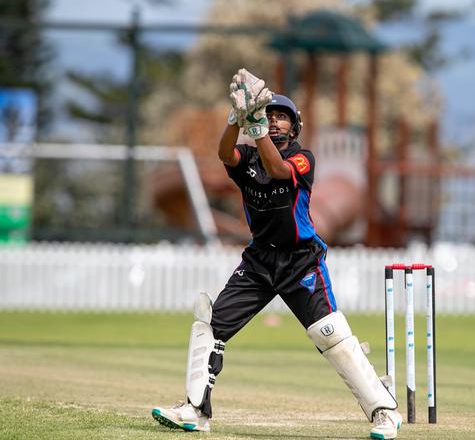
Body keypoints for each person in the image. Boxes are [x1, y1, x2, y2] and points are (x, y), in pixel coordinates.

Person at [151, 69, 402, 439]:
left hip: (301, 260)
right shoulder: (248, 160)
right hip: (259, 261)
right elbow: (224, 153)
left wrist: (256, 129)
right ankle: (194, 410)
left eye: (280, 117)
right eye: (268, 115)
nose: (273, 121)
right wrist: (235, 120)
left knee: (329, 333)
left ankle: (384, 411)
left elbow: (277, 168)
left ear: (294, 127)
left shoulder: (304, 160)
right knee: (210, 324)